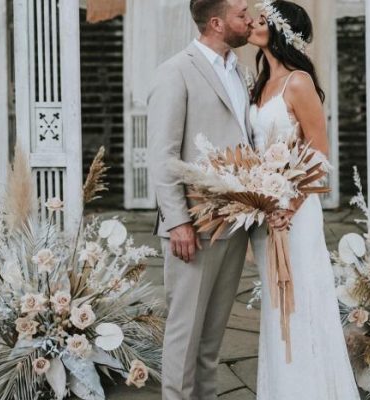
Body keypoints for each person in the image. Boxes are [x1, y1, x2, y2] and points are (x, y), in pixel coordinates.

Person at [247, 1, 361, 398]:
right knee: (276, 304)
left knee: (300, 298)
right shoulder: (259, 82)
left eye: (261, 20)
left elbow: (319, 155)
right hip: (265, 211)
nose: (252, 24)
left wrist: (288, 207)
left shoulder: (298, 82)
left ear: (281, 30)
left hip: (294, 212)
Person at [147, 1, 254, 399]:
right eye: (242, 13)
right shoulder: (175, 72)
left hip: (233, 223)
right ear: (216, 22)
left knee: (210, 341)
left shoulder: (237, 72)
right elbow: (163, 155)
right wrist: (177, 222)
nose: (250, 20)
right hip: (193, 225)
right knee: (184, 334)